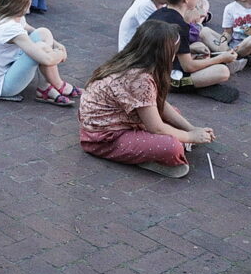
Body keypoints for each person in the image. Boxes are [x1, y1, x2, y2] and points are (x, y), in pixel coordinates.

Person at [79, 21, 216, 178]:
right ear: (162, 54)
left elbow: (158, 104)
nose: (174, 56)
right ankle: (145, 157)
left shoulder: (135, 62)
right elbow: (156, 128)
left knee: (173, 118)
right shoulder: (140, 79)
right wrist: (191, 137)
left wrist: (191, 128)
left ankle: (144, 149)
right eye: (173, 51)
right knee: (172, 146)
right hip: (102, 139)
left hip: (115, 122)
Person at [0, 0, 78, 104]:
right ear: (21, 2)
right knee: (41, 48)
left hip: (8, 67)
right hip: (1, 86)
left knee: (43, 33)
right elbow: (46, 59)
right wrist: (61, 54)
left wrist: (57, 44)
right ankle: (59, 85)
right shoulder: (10, 27)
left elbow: (32, 30)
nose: (31, 0)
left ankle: (45, 87)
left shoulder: (12, 16)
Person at [145, 0, 239, 102]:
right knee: (223, 71)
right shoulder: (179, 25)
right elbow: (189, 66)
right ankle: (189, 85)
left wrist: (194, 51)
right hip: (163, 78)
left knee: (200, 51)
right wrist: (221, 58)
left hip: (150, 70)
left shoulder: (160, 13)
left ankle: (200, 81)